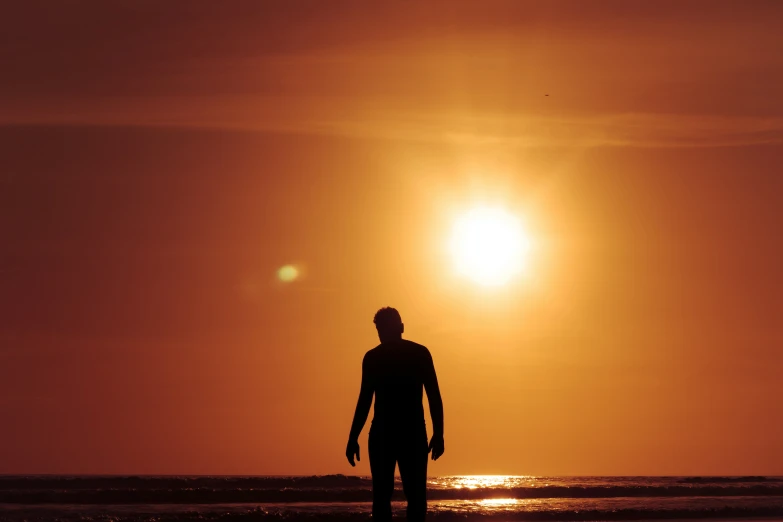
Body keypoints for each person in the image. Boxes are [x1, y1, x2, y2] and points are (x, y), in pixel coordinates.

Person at [346, 307, 444, 522]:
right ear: (400, 327)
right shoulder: (418, 353)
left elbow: (364, 401)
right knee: (414, 496)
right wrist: (438, 434)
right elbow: (434, 397)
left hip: (387, 433)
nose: (382, 335)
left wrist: (353, 437)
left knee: (384, 496)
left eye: (382, 330)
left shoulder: (375, 357)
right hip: (410, 433)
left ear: (399, 328)